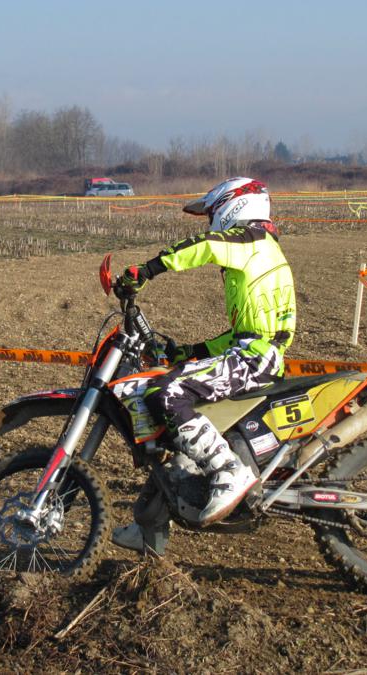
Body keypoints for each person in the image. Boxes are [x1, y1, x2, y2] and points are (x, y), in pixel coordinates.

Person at [112, 177, 297, 551]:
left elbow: (206, 245)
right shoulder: (261, 249)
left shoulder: (250, 240)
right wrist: (189, 352)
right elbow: (243, 334)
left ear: (233, 206)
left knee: (168, 392)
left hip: (255, 360)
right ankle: (150, 526)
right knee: (172, 422)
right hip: (253, 353)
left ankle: (229, 470)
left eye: (213, 213)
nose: (211, 221)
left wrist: (146, 271)